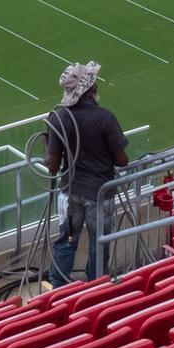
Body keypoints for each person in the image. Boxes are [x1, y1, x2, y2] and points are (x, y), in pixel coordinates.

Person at [43, 62, 129, 285]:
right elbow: (122, 160)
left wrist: (47, 147)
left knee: (67, 241)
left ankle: (58, 287)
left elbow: (52, 165)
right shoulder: (105, 118)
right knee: (99, 243)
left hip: (70, 191)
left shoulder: (58, 117)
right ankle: (97, 287)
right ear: (91, 90)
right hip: (99, 193)